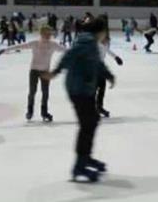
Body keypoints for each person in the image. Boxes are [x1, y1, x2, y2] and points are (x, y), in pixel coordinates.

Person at [42, 18, 115, 183]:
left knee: (92, 121)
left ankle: (85, 158)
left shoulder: (91, 43)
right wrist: (56, 72)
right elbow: (69, 55)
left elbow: (97, 64)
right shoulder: (86, 43)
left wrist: (109, 76)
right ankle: (79, 166)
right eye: (105, 31)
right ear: (100, 31)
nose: (106, 35)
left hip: (84, 87)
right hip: (78, 89)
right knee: (87, 124)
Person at [0, 25, 66, 122]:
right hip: (34, 70)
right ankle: (30, 111)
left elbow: (66, 50)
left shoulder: (53, 45)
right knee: (32, 92)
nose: (48, 35)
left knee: (45, 93)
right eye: (46, 33)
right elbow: (20, 46)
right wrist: (5, 49)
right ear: (41, 33)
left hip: (45, 72)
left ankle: (44, 112)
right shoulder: (35, 43)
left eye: (49, 33)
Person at [97, 34, 123, 117]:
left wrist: (116, 58)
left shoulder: (103, 45)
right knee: (97, 88)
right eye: (107, 40)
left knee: (101, 88)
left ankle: (98, 107)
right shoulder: (97, 45)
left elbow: (108, 51)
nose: (108, 42)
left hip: (99, 68)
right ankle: (95, 107)